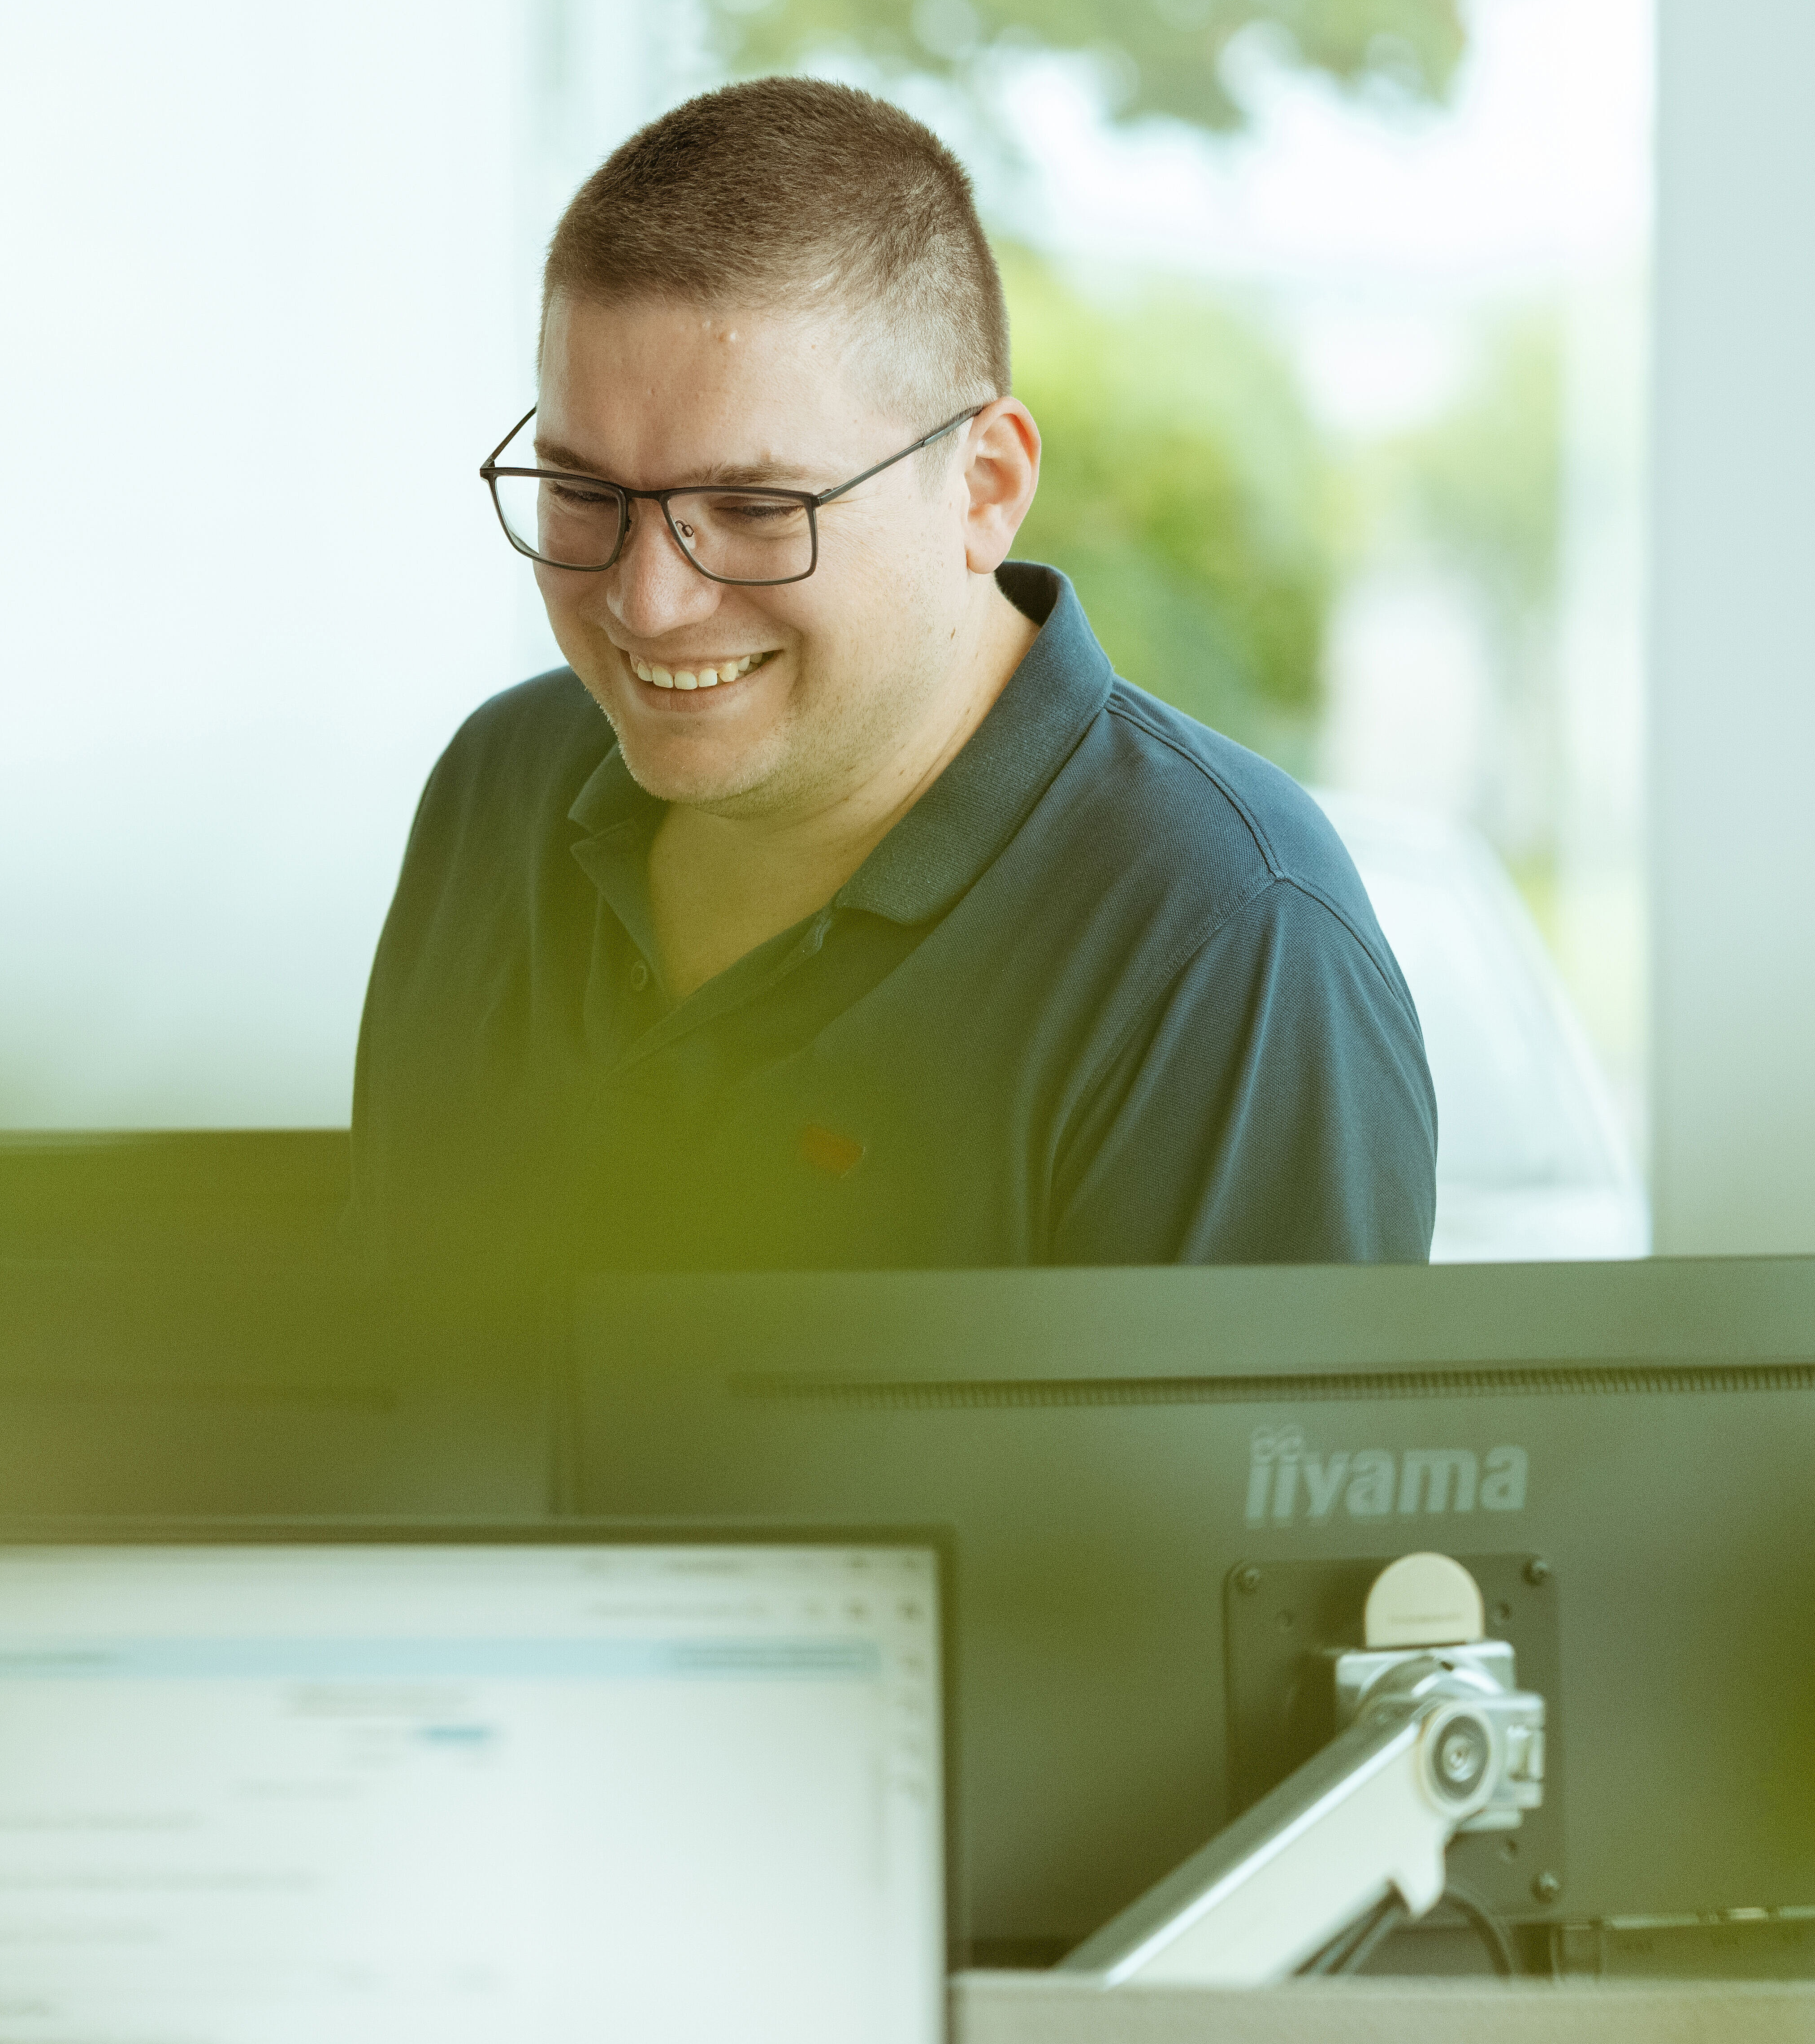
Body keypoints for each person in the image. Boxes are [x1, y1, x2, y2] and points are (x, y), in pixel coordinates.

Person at [351, 80, 1432, 1294]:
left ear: (983, 487)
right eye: (586, 495)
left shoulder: (1230, 938)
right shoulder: (499, 789)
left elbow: (1210, 1489)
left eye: (757, 510)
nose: (646, 601)